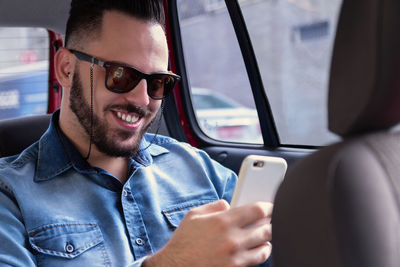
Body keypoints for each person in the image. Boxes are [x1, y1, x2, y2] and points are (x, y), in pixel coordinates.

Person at [0, 0, 272, 266]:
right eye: (120, 75)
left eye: (157, 82)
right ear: (66, 69)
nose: (142, 100)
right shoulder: (9, 195)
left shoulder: (199, 169)